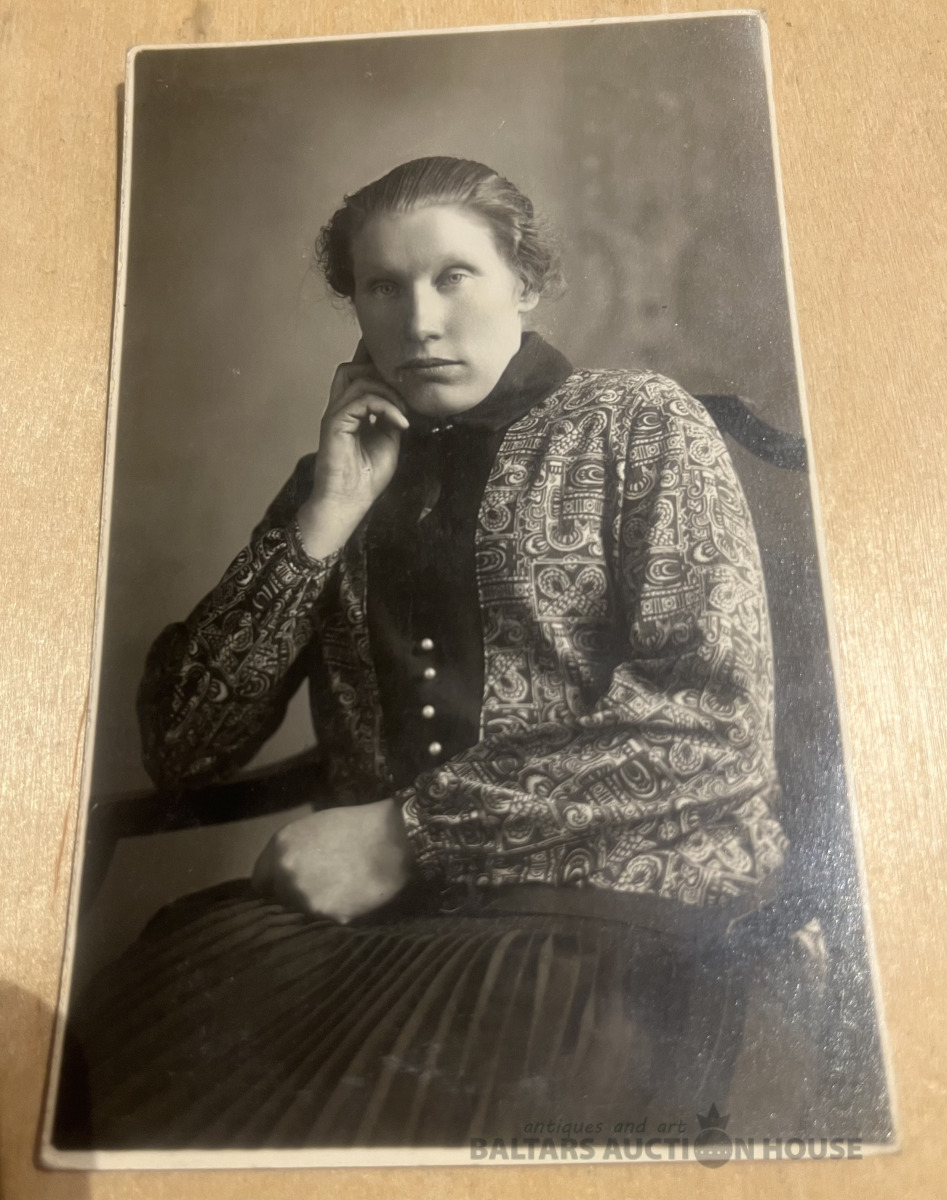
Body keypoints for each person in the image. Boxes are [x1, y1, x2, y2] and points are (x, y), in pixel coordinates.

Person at [61, 156, 798, 1151]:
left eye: (454, 276)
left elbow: (711, 727)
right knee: (133, 1079)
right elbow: (184, 749)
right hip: (368, 930)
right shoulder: (340, 472)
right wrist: (325, 517)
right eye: (383, 286)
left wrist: (403, 835)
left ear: (524, 282)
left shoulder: (637, 425)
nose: (418, 320)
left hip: (601, 914)